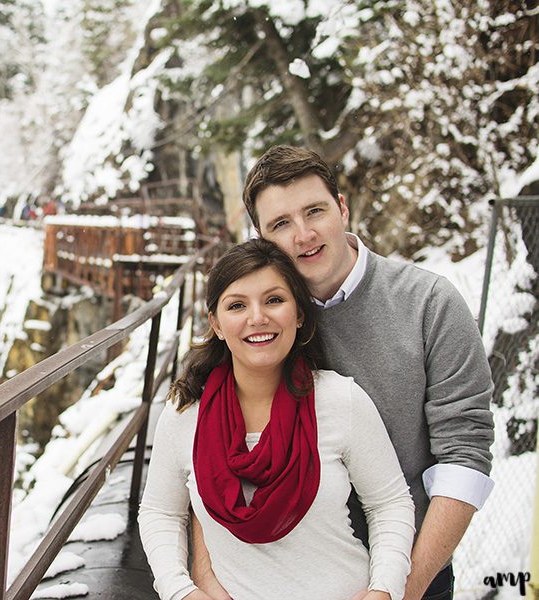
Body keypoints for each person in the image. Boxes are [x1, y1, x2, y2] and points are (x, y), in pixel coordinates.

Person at [190, 146, 495, 600]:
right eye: (281, 224)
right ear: (260, 237)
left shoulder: (429, 303)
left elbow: (464, 457)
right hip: (279, 572)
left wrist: (401, 589)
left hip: (412, 564)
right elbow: (208, 441)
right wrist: (204, 571)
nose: (304, 234)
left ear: (343, 207)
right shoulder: (259, 324)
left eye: (315, 210)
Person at [138, 238, 415, 600]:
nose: (257, 318)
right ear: (216, 324)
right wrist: (179, 590)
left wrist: (384, 589)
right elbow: (160, 512)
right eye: (237, 305)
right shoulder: (184, 415)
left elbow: (389, 504)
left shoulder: (339, 400)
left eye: (274, 300)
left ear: (299, 314)